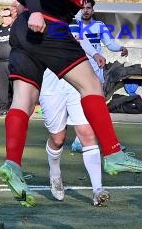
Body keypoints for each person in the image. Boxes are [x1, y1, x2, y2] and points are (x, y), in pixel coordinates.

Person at [0, 0, 142, 208]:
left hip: (25, 31)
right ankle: (113, 153)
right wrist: (33, 9)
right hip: (48, 27)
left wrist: (23, 4)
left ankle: (13, 164)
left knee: (24, 99)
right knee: (91, 85)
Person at [39, 69, 110, 206]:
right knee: (57, 139)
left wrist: (94, 54)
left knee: (87, 133)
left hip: (77, 80)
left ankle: (97, 189)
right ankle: (55, 174)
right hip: (51, 82)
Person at [73, 0, 129, 86]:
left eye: (88, 8)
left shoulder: (99, 25)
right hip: (80, 69)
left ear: (92, 11)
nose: (85, 11)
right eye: (82, 8)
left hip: (96, 69)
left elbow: (110, 44)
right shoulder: (74, 26)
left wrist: (120, 48)